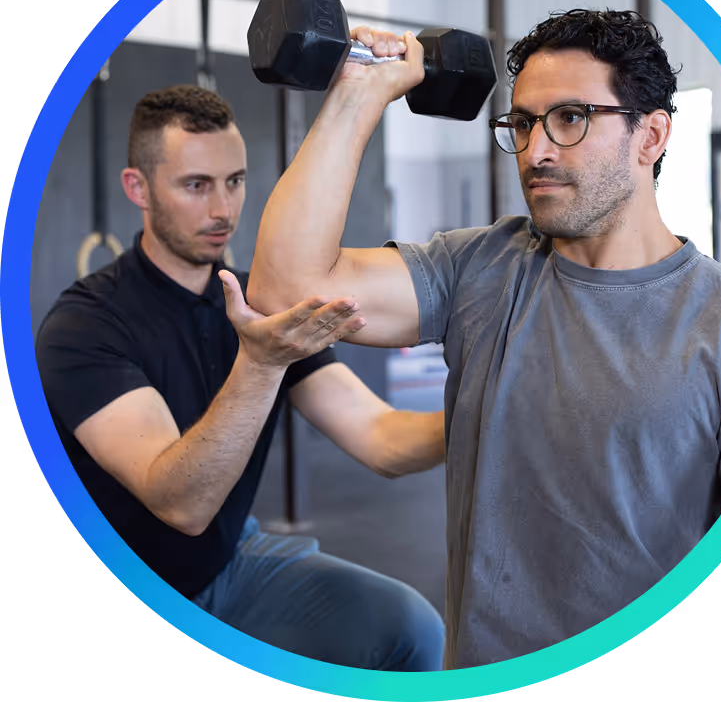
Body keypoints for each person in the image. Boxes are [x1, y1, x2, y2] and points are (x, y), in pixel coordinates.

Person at [245, 10, 721, 669]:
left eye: (571, 118)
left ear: (650, 136)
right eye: (524, 123)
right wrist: (358, 94)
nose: (536, 152)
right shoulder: (483, 267)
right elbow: (286, 289)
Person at [35, 84, 447, 671]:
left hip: (227, 559)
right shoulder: (85, 325)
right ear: (138, 188)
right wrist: (261, 362)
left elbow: (381, 438)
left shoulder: (263, 305)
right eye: (196, 185)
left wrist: (479, 412)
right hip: (139, 580)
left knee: (411, 630)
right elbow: (182, 505)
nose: (223, 209)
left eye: (234, 181)